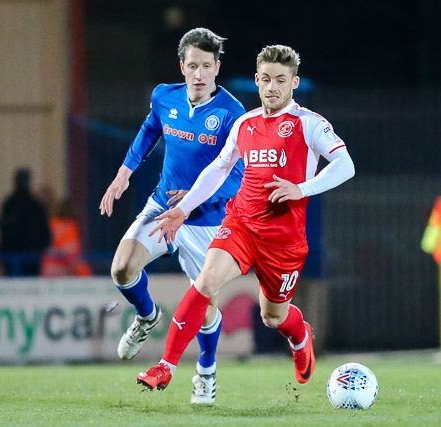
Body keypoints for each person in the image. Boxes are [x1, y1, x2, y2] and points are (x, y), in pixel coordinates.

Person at [137, 45, 355, 393]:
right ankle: (166, 366)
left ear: (294, 83)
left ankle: (299, 338)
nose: (272, 87)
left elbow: (346, 166)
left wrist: (302, 189)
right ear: (256, 80)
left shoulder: (310, 124)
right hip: (240, 223)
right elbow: (219, 168)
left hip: (282, 240)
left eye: (281, 80)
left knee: (273, 317)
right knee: (206, 282)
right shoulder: (245, 123)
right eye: (266, 79)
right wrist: (184, 208)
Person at [99, 27, 245, 405]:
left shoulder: (232, 113)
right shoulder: (165, 97)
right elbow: (149, 131)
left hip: (206, 221)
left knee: (206, 306)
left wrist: (195, 200)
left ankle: (207, 372)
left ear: (217, 67)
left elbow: (239, 177)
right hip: (163, 207)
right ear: (182, 66)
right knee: (122, 269)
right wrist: (124, 172)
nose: (199, 74)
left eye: (206, 66)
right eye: (192, 65)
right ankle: (147, 317)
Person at [0, 167, 51, 276]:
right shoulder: (35, 206)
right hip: (29, 258)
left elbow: (4, 231)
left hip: (19, 257)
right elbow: (45, 235)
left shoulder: (9, 205)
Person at [41, 197, 92, 277]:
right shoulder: (72, 226)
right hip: (63, 267)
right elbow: (71, 250)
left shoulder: (51, 223)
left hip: (50, 267)